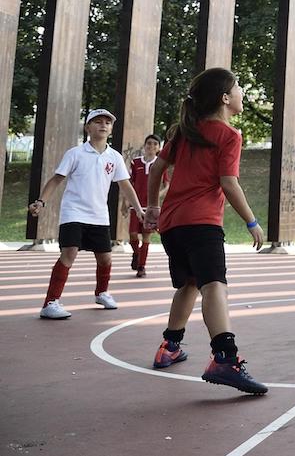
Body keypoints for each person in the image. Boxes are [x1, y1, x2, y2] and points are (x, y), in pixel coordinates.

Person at [143, 68, 267, 394]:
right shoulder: (229, 135)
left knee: (189, 283)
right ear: (225, 98)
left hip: (172, 225)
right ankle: (225, 358)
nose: (242, 93)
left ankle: (169, 346)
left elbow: (156, 169)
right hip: (202, 223)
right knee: (214, 287)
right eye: (238, 88)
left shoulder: (185, 131)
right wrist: (251, 221)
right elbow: (229, 183)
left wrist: (153, 207)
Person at [31, 109, 145, 319]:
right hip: (73, 212)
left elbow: (125, 185)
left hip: (99, 215)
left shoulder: (115, 157)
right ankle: (50, 303)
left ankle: (102, 293)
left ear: (111, 129)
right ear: (87, 128)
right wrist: (41, 201)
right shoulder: (75, 153)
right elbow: (56, 179)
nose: (103, 125)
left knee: (105, 259)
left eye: (107, 123)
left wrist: (138, 209)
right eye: (98, 121)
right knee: (69, 253)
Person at [127, 134, 168, 278]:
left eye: (155, 144)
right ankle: (136, 254)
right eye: (149, 143)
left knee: (146, 236)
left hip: (151, 206)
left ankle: (141, 266)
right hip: (136, 205)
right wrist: (125, 201)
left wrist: (157, 195)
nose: (151, 146)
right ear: (144, 146)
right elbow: (129, 183)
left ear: (159, 147)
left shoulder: (161, 163)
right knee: (132, 234)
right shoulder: (136, 162)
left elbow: (167, 185)